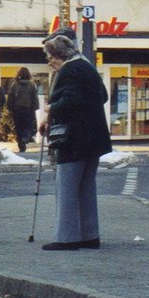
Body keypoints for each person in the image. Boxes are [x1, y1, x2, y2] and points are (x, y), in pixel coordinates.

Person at [39, 28, 112, 251]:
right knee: (86, 187)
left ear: (60, 56)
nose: (50, 62)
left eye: (50, 57)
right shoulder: (87, 66)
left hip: (74, 138)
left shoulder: (69, 70)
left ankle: (67, 238)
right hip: (94, 138)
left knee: (67, 188)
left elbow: (72, 100)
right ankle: (90, 235)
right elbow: (103, 96)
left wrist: (51, 109)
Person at [6, 67, 40, 153]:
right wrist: (35, 107)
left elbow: (10, 98)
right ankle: (25, 137)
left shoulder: (15, 85)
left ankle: (21, 146)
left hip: (17, 110)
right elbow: (34, 98)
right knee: (28, 126)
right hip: (28, 109)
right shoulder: (32, 85)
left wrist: (10, 108)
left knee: (19, 127)